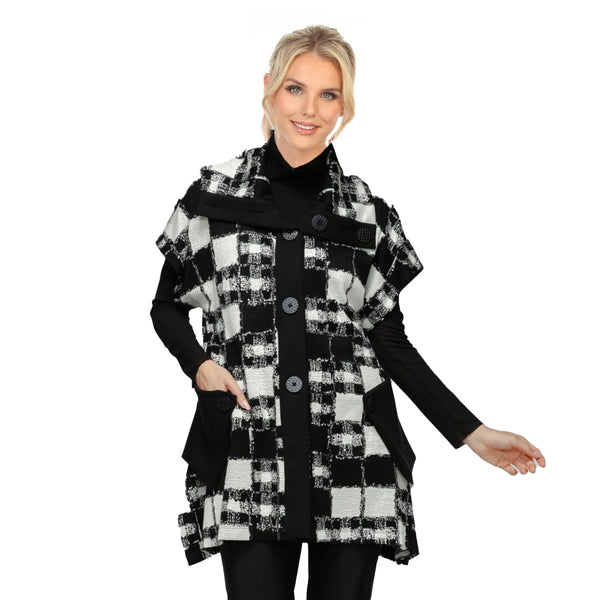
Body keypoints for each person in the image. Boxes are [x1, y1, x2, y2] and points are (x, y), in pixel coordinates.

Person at [150, 24, 546, 600]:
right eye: (295, 88)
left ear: (344, 107)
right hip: (248, 445)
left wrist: (471, 432)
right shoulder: (213, 199)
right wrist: (200, 366)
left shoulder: (367, 214)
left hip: (353, 452)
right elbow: (165, 307)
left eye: (328, 94)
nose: (309, 109)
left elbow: (390, 342)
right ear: (269, 89)